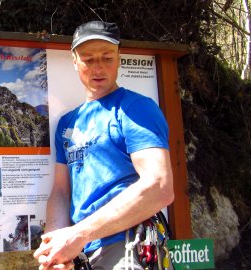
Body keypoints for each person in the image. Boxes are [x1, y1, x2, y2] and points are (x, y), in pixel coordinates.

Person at [33, 21, 174, 269]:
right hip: (82, 253)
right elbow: (61, 191)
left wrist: (77, 235)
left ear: (119, 58)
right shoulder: (68, 122)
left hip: (126, 245)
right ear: (74, 61)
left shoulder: (135, 108)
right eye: (88, 59)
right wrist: (54, 247)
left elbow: (159, 186)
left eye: (107, 58)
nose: (98, 68)